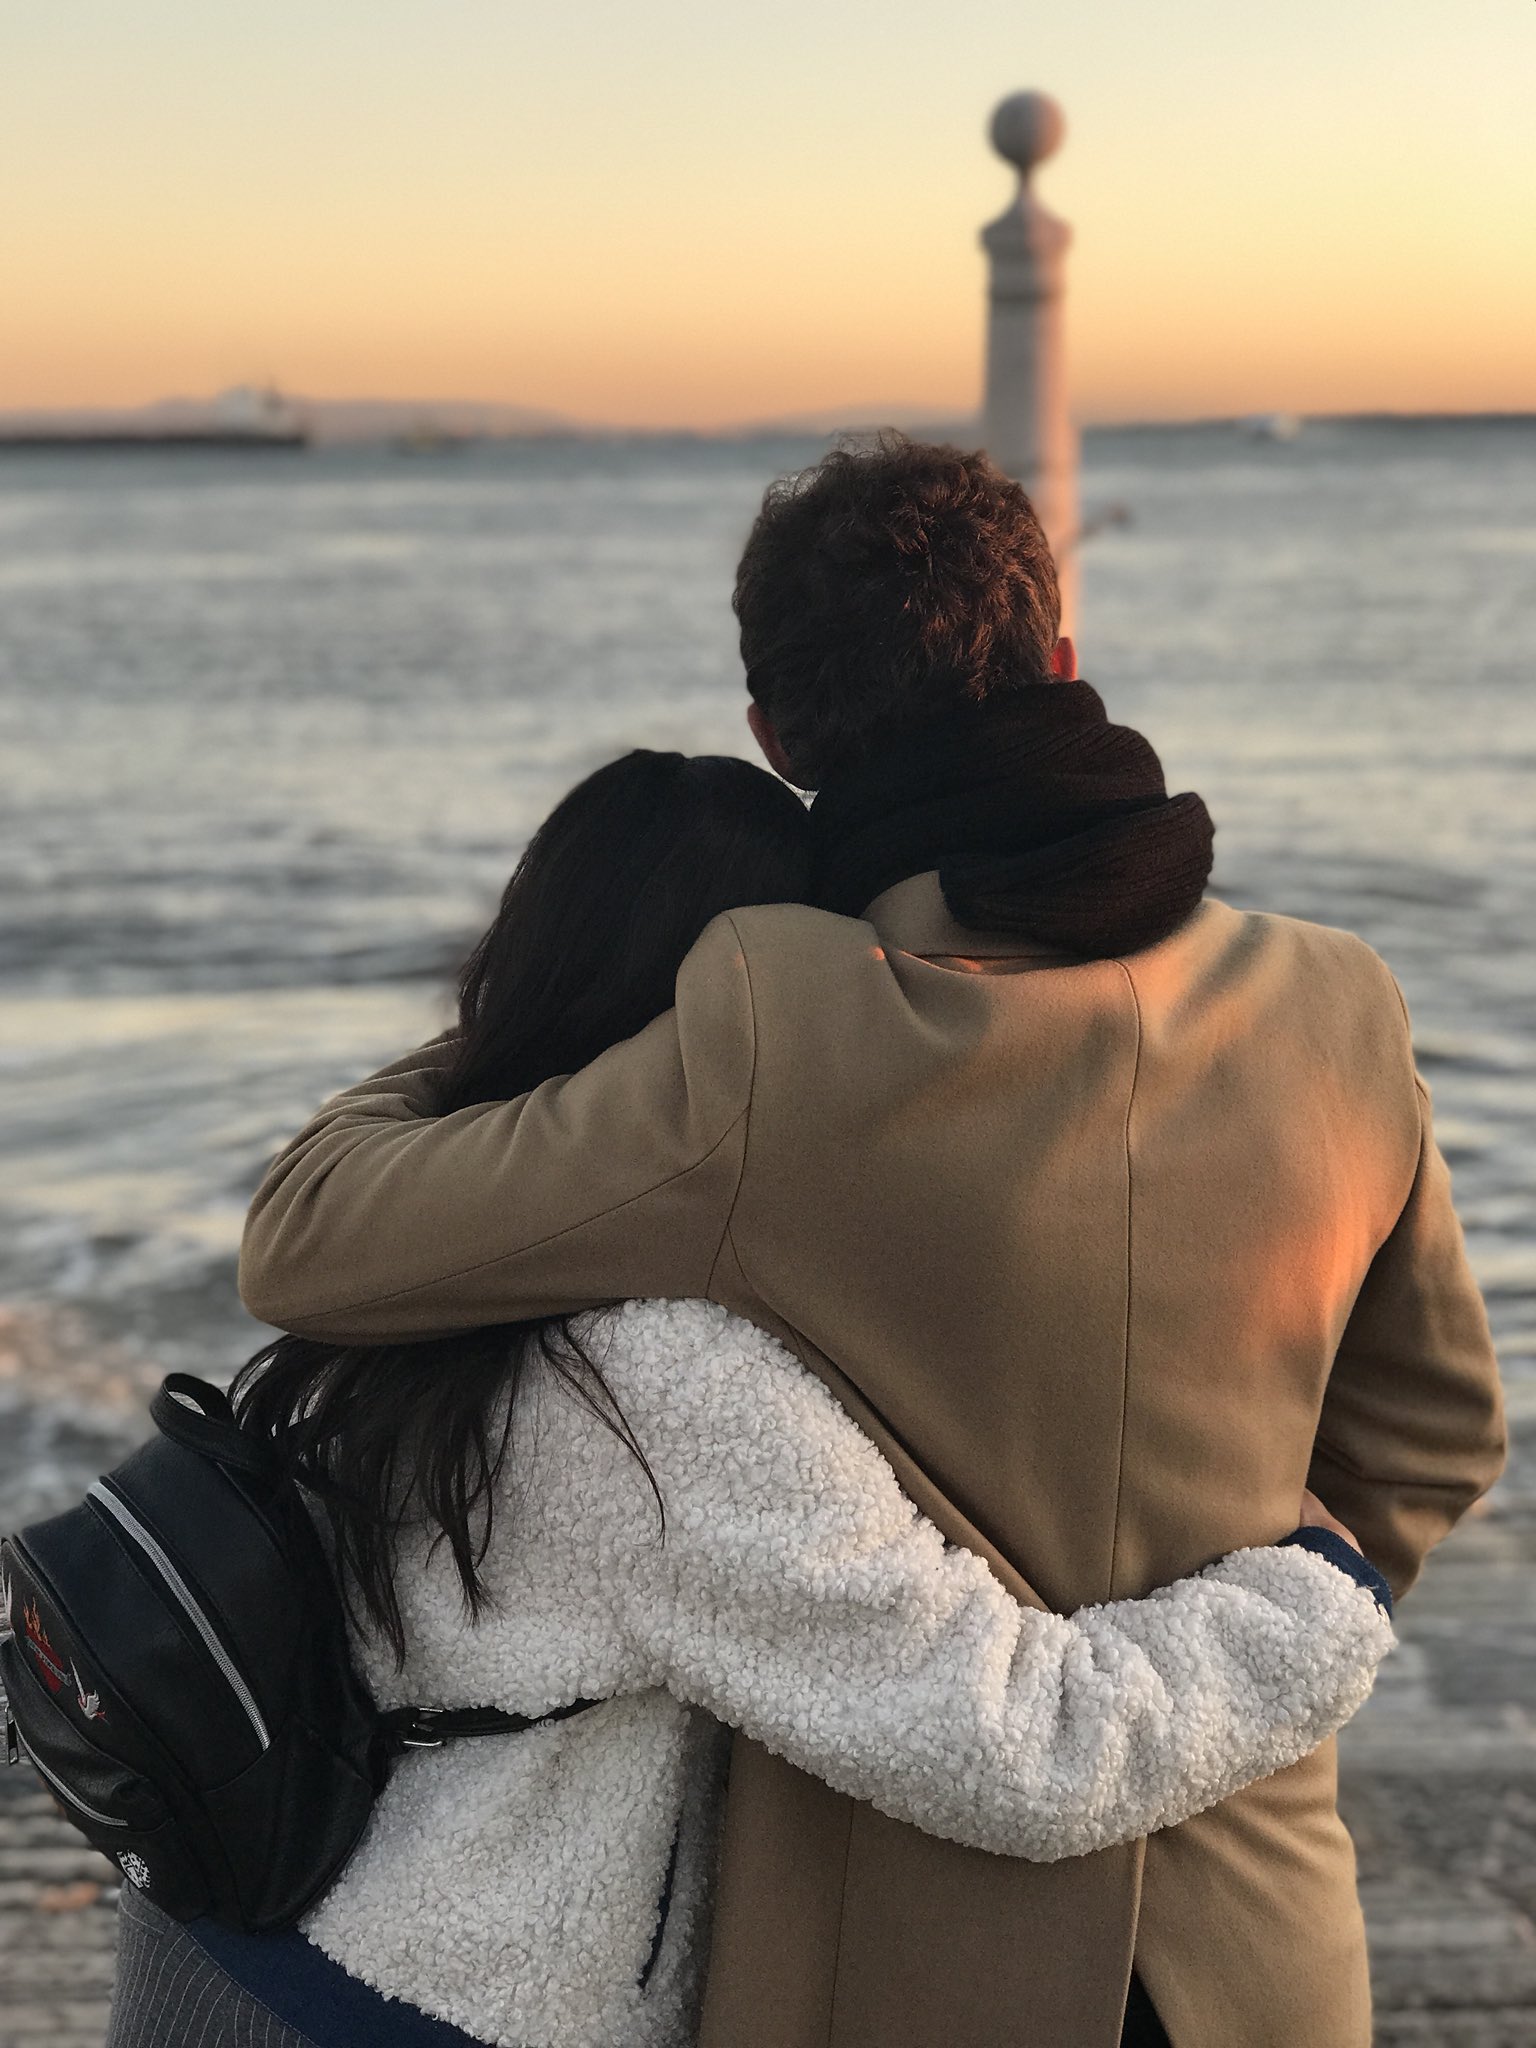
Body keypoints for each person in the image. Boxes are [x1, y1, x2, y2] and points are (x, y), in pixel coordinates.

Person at [239, 442, 1506, 2048]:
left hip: (894, 1972)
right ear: (1062, 654)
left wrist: (530, 1017)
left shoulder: (777, 1035)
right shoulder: (1339, 1003)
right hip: (1260, 1954)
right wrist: (1277, 1607)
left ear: (776, 738)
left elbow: (311, 1236)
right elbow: (1435, 1437)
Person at [106, 750, 1390, 2048]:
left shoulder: (417, 1257)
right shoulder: (658, 1390)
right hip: (412, 2010)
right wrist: (1322, 1596)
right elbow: (1022, 1748)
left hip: (221, 1941)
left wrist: (524, 1030)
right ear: (735, 1012)